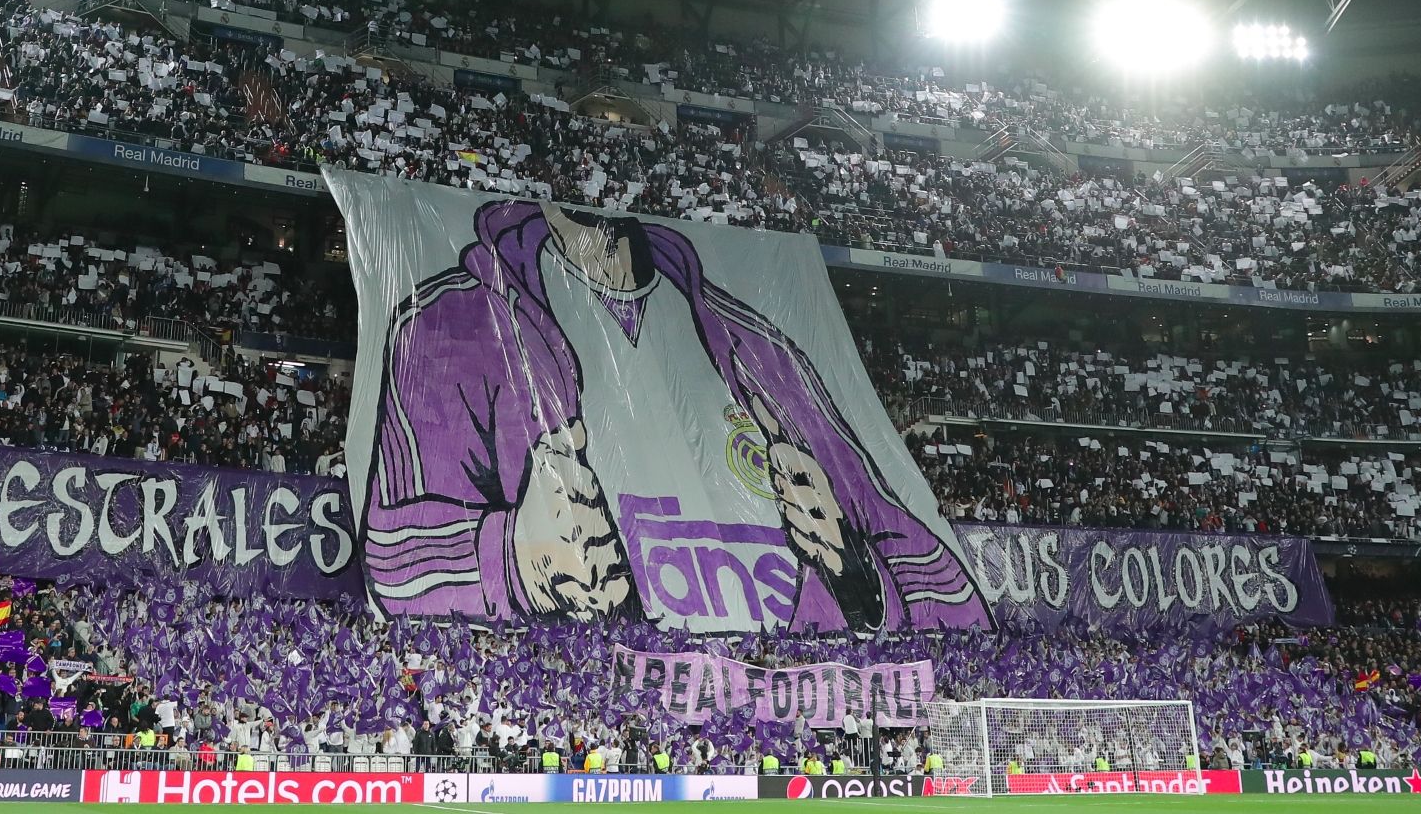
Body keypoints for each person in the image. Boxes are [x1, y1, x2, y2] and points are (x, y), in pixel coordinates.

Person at [359, 197, 990, 633]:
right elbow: (388, 554)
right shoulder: (449, 325)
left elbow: (947, 594)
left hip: (769, 687)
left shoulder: (756, 350)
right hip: (599, 687)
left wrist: (854, 574)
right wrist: (517, 556)